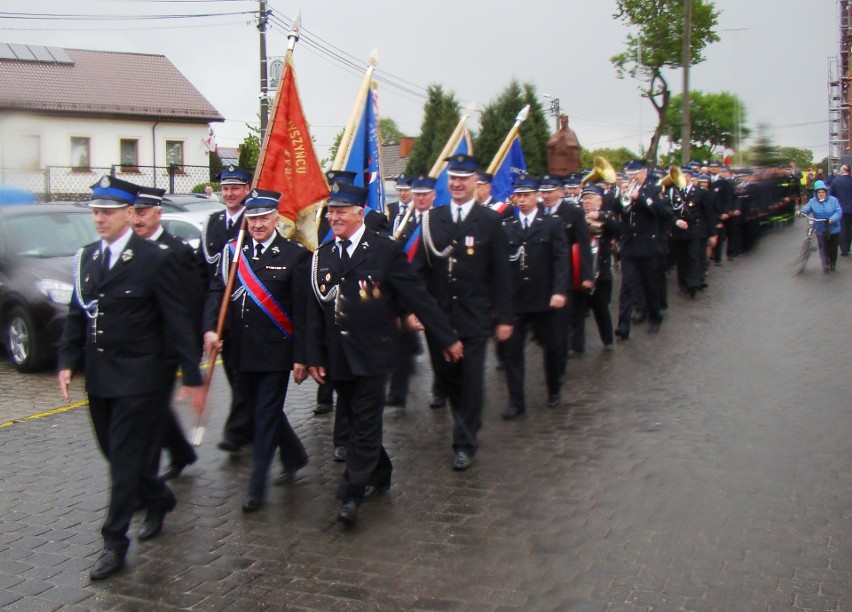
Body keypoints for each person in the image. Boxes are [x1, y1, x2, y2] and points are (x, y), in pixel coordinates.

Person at [57, 176, 203, 581]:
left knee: (123, 461)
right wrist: (67, 361)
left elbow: (176, 318)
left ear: (128, 213)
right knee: (113, 452)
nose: (99, 218)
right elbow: (77, 316)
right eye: (95, 212)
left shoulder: (153, 259)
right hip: (101, 376)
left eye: (107, 211)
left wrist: (192, 374)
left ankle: (114, 541)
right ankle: (158, 497)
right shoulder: (86, 257)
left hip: (142, 376)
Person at [306, 181, 462, 526]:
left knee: (363, 423)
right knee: (353, 421)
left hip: (374, 353)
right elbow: (313, 313)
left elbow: (418, 296)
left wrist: (447, 336)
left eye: (341, 211)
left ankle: (351, 495)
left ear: (359, 213)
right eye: (331, 211)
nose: (334, 217)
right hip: (338, 356)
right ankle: (381, 470)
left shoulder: (383, 250)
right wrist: (312, 356)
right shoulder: (324, 255)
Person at [203, 189, 310, 511]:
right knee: (256, 410)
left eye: (264, 217)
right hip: (238, 350)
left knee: (263, 417)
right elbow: (216, 291)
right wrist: (211, 328)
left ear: (277, 218)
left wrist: (302, 356)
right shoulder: (233, 252)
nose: (258, 224)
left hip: (275, 352)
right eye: (252, 218)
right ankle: (294, 454)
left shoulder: (295, 255)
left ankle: (257, 487)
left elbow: (304, 314)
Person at [412, 154, 513, 471]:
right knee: (448, 378)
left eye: (463, 179)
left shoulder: (490, 222)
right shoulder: (431, 219)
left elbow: (501, 275)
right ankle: (464, 422)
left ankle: (465, 442)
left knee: (471, 381)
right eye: (452, 178)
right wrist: (414, 310)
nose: (456, 184)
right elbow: (419, 272)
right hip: (439, 319)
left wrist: (506, 317)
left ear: (475, 183)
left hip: (475, 316)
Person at [132, 186, 205, 480]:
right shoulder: (131, 249)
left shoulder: (177, 251)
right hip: (139, 346)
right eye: (134, 213)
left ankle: (143, 485)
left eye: (143, 213)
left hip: (166, 347)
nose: (137, 219)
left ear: (158, 214)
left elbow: (190, 303)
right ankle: (181, 451)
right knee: (153, 408)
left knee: (147, 412)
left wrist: (190, 359)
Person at [500, 175, 569, 419]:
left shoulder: (552, 224)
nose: (521, 200)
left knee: (553, 348)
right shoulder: (506, 226)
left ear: (536, 196)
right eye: (518, 195)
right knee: (512, 353)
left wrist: (559, 291)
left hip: (544, 299)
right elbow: (500, 266)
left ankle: (554, 388)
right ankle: (516, 401)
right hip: (516, 300)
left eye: (526, 195)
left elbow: (561, 260)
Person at [200, 165, 253, 455]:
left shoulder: (254, 220)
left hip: (250, 310)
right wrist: (206, 320)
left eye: (235, 188)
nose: (230, 193)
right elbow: (206, 273)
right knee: (234, 375)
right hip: (220, 311)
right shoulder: (213, 222)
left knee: (244, 375)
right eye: (226, 188)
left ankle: (238, 431)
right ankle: (249, 426)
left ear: (247, 189)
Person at [386, 174, 436, 408]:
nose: (420, 198)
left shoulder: (439, 220)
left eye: (425, 194)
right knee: (401, 343)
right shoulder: (402, 220)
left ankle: (441, 389)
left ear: (433, 195)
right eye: (417, 194)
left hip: (432, 293)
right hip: (405, 293)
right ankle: (397, 393)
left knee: (437, 343)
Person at [614, 160, 673, 338]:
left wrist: (640, 197)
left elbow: (663, 211)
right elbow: (616, 210)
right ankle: (623, 326)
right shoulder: (626, 188)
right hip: (629, 245)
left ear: (644, 172)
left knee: (650, 285)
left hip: (648, 245)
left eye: (635, 173)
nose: (632, 177)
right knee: (627, 286)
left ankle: (654, 317)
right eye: (629, 174)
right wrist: (621, 196)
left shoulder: (656, 188)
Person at [577, 184, 620, 349]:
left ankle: (608, 341)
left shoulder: (607, 215)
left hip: (600, 271)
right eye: (584, 198)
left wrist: (599, 215)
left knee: (601, 308)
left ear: (600, 200)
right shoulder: (578, 215)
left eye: (590, 198)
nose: (586, 201)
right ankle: (577, 344)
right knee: (577, 311)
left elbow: (616, 227)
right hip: (580, 270)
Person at [800, 180, 843, 273]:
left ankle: (832, 262)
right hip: (820, 229)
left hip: (833, 229)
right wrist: (801, 212)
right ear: (816, 193)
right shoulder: (812, 201)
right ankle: (825, 263)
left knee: (833, 248)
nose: (821, 194)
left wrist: (831, 219)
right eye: (819, 192)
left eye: (823, 192)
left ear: (826, 192)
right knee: (823, 248)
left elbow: (838, 211)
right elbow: (807, 208)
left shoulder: (833, 200)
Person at [829, 164, 852, 257]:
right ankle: (848, 246)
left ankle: (844, 249)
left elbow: (831, 195)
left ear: (843, 170)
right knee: (849, 228)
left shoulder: (836, 181)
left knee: (842, 228)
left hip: (841, 208)